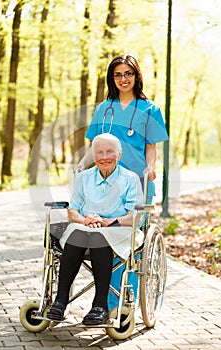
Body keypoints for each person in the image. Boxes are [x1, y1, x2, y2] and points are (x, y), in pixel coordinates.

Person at [76, 54, 168, 309]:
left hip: (137, 182)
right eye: (118, 74)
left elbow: (151, 147)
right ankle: (105, 302)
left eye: (128, 73)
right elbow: (94, 146)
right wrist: (83, 164)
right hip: (105, 183)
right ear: (112, 78)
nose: (123, 79)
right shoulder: (103, 109)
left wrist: (151, 167)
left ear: (136, 76)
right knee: (105, 238)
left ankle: (123, 301)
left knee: (129, 240)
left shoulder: (150, 110)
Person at [47, 133, 144, 325]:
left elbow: (135, 217)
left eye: (110, 151)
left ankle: (100, 306)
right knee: (79, 235)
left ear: (119, 154)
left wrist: (107, 222)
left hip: (118, 229)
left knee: (98, 237)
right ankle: (60, 301)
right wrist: (85, 220)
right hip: (86, 228)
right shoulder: (84, 178)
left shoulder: (130, 179)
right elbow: (73, 211)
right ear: (93, 156)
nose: (104, 156)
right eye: (99, 152)